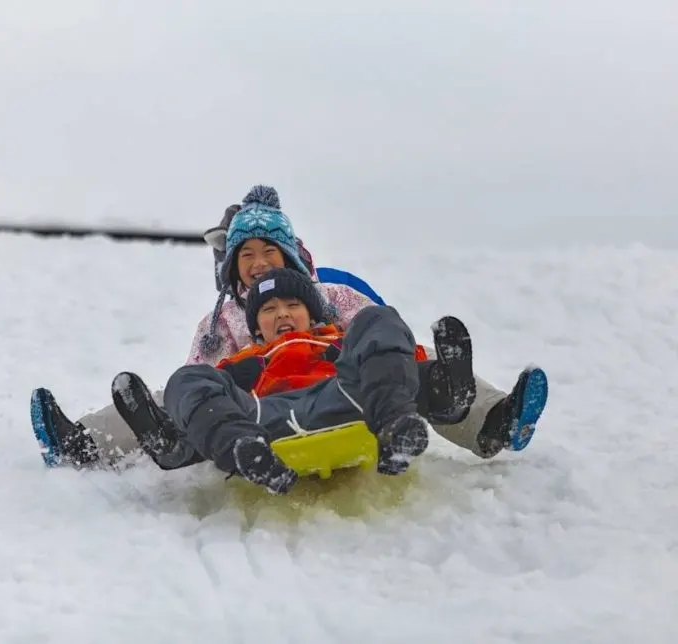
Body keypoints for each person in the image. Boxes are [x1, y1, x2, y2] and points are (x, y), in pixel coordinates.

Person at [31, 185, 548, 470]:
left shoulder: (335, 296)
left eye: (268, 252)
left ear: (291, 256)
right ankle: (85, 444)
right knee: (175, 391)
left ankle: (491, 420)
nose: (257, 264)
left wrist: (415, 377)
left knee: (419, 364)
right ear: (230, 266)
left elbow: (387, 347)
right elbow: (200, 381)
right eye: (245, 256)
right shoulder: (224, 324)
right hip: (264, 404)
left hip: (349, 392)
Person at [114, 268, 545, 495]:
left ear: (312, 312)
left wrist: (428, 380)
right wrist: (217, 391)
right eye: (268, 310)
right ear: (255, 326)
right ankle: (223, 450)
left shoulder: (339, 340)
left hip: (349, 399)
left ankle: (413, 419)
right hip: (265, 420)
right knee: (189, 380)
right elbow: (205, 394)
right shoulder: (246, 359)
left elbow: (399, 359)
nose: (282, 313)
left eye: (292, 304)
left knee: (380, 320)